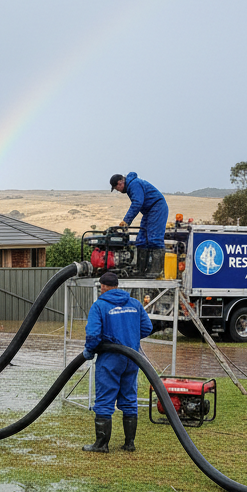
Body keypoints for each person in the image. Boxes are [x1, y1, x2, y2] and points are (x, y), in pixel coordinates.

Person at [81, 271, 153, 453]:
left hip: (110, 359)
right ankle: (129, 443)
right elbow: (147, 327)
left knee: (105, 399)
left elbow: (93, 335)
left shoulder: (99, 306)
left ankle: (101, 444)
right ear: (117, 285)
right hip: (132, 358)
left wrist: (90, 350)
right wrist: (130, 337)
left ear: (103, 286)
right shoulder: (135, 304)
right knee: (129, 398)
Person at [110, 172, 170, 279]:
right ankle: (140, 270)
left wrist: (126, 221)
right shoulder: (131, 186)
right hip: (149, 211)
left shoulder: (134, 184)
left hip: (157, 207)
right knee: (141, 240)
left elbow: (137, 203)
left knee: (154, 239)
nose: (118, 191)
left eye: (116, 188)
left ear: (120, 183)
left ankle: (156, 270)